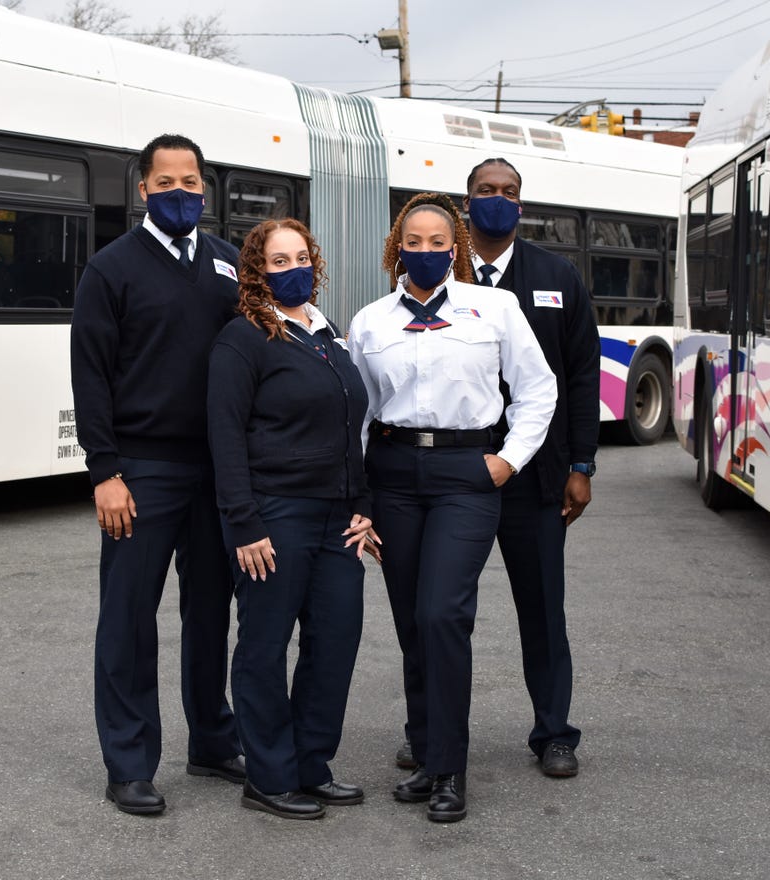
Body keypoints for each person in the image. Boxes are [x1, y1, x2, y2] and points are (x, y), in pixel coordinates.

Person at [347, 193, 556, 823]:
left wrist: (507, 461)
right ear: (396, 246)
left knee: (443, 614)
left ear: (456, 246)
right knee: (412, 619)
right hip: (393, 475)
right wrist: (357, 496)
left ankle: (450, 770)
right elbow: (354, 414)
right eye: (415, 240)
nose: (427, 250)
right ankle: (426, 749)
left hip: (467, 474)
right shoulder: (370, 321)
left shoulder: (495, 307)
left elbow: (537, 388)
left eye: (440, 241)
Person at [70, 133, 244, 816]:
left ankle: (212, 738)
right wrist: (104, 471)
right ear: (142, 188)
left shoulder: (231, 265)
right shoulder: (110, 269)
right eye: (165, 182)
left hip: (218, 471)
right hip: (141, 472)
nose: (180, 192)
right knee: (128, 621)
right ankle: (130, 763)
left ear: (206, 188)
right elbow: (91, 375)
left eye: (191, 181)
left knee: (211, 613)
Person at [207, 218, 377, 820]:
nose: (293, 269)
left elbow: (352, 427)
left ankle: (311, 765)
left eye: (301, 257)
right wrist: (245, 523)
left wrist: (364, 506)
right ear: (256, 272)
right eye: (278, 261)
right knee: (265, 645)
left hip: (339, 520)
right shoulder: (243, 339)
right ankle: (269, 775)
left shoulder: (327, 335)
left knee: (334, 641)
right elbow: (224, 438)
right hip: (274, 514)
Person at [463, 157, 600, 778]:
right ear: (467, 200)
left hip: (536, 476)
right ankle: (429, 730)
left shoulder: (556, 276)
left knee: (543, 609)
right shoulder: (434, 268)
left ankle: (554, 733)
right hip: (455, 476)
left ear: (521, 203)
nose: (498, 199)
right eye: (486, 191)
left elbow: (580, 373)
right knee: (441, 610)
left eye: (509, 192)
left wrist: (582, 464)